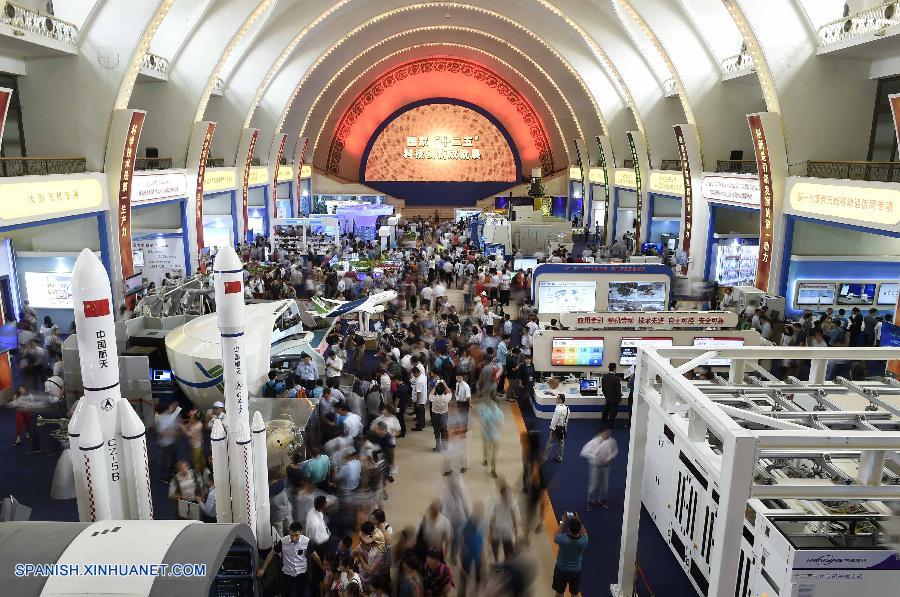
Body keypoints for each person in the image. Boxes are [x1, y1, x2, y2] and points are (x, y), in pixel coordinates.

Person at [258, 522, 319, 597]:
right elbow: (271, 554)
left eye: (296, 535)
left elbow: (315, 556)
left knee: (301, 594)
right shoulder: (283, 541)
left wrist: (322, 567)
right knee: (286, 594)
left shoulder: (306, 541)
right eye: (292, 535)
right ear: (289, 531)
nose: (294, 538)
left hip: (301, 572)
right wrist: (263, 569)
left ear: (301, 532)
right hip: (287, 573)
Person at [581, 427, 619, 511]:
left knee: (605, 485)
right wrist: (595, 456)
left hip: (607, 466)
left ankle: (602, 499)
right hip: (595, 466)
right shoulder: (593, 442)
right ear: (601, 433)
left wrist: (608, 458)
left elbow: (615, 451)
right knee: (594, 485)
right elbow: (583, 452)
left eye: (609, 432)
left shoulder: (612, 441)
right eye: (607, 432)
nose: (608, 434)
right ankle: (590, 502)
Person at [553, 514, 589, 597]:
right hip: (576, 571)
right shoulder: (583, 542)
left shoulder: (563, 539)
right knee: (574, 593)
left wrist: (562, 521)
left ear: (569, 529)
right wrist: (578, 520)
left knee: (559, 592)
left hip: (561, 569)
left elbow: (555, 536)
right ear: (579, 529)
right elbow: (585, 533)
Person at [488, 481, 520, 562]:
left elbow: (515, 520)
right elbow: (492, 520)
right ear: (502, 495)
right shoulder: (496, 505)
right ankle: (496, 561)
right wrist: (490, 535)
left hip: (507, 532)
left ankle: (507, 563)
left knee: (509, 553)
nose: (508, 497)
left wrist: (516, 536)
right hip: (497, 530)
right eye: (506, 495)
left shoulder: (513, 506)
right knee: (495, 548)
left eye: (509, 494)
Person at [477, 393, 504, 478]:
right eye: (489, 402)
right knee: (486, 448)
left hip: (496, 436)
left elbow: (500, 425)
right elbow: (481, 419)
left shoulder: (499, 413)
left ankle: (493, 469)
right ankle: (485, 458)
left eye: (491, 402)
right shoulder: (484, 409)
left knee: (494, 454)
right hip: (486, 434)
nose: (490, 403)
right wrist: (486, 424)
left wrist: (496, 425)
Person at [543, 394, 569, 463]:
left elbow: (554, 420)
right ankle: (560, 457)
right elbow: (566, 420)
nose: (556, 399)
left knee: (550, 443)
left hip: (556, 429)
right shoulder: (567, 408)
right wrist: (565, 429)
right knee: (561, 443)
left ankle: (544, 457)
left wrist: (552, 429)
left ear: (560, 400)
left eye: (557, 398)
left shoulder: (558, 409)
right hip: (563, 428)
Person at [429, 380, 452, 452]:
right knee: (444, 431)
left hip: (435, 416)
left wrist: (436, 385)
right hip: (444, 415)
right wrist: (445, 385)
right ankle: (445, 447)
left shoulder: (433, 398)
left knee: (436, 431)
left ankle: (438, 447)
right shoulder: (446, 398)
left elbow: (431, 393)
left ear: (436, 390)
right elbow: (450, 392)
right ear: (443, 390)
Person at [601, 363, 623, 427]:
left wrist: (606, 396)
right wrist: (619, 398)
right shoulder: (616, 378)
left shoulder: (604, 376)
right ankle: (611, 425)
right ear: (614, 369)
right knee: (613, 412)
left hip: (608, 397)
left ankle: (603, 421)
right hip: (614, 399)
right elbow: (618, 390)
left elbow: (603, 389)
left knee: (606, 410)